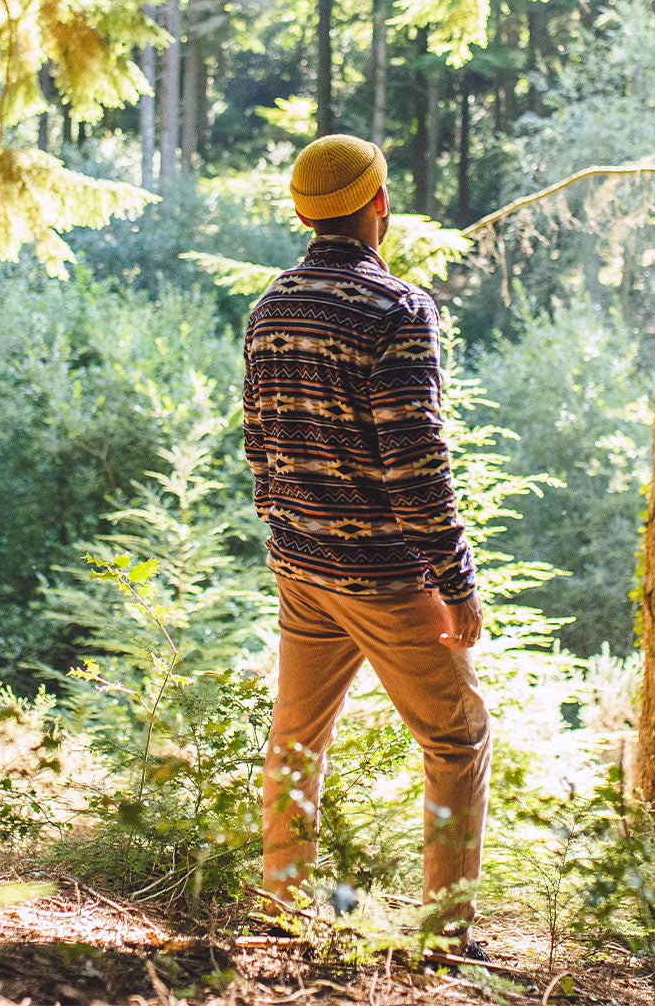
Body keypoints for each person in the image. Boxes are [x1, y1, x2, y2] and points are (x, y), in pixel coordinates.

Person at [242, 134, 491, 956]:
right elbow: (416, 458)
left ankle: (281, 907)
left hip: (300, 565)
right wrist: (454, 579)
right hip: (384, 576)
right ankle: (448, 934)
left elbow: (259, 441)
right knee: (457, 739)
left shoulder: (271, 306)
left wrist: (286, 531)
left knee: (296, 736)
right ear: (379, 206)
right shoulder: (398, 310)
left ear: (305, 215)